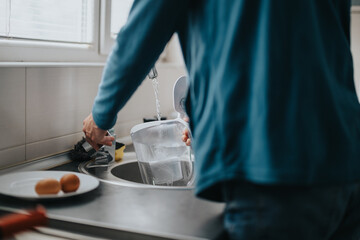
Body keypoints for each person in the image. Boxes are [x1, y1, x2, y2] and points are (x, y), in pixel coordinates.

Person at [83, 1, 360, 239]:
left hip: (273, 169)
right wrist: (211, 117)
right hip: (347, 159)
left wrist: (101, 117)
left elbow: (140, 35)